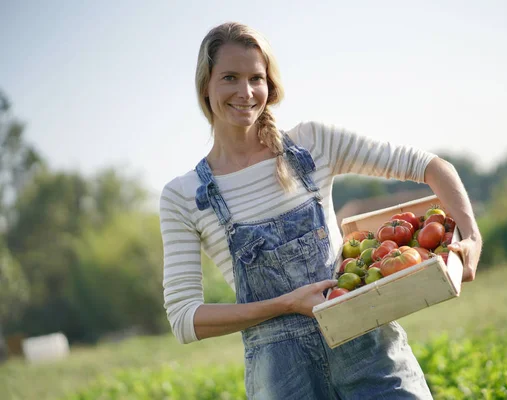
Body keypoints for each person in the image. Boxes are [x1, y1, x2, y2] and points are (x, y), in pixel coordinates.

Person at [159, 21, 482, 399]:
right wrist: (287, 305)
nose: (245, 92)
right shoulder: (185, 195)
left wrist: (472, 236)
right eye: (230, 77)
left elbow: (431, 166)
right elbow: (185, 319)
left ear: (270, 85)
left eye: (256, 78)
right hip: (282, 378)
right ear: (205, 86)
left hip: (368, 350)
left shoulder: (313, 143)